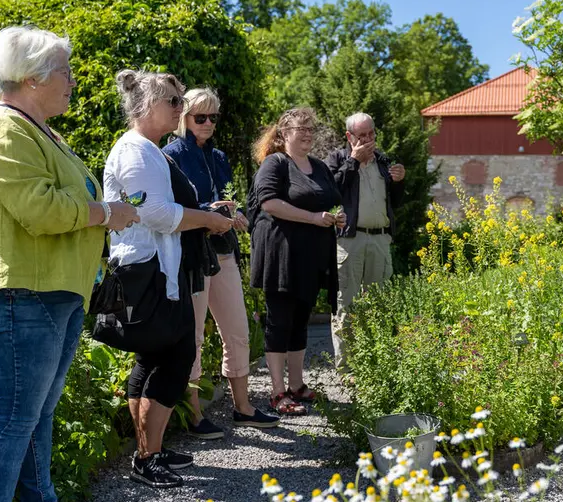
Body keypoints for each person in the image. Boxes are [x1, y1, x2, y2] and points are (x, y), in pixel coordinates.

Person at [0, 26, 140, 502]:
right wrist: (107, 213)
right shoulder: (0, 128)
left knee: (36, 412)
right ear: (33, 77)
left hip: (52, 289)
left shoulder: (40, 131)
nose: (73, 81)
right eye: (65, 70)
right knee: (16, 415)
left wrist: (99, 209)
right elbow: (39, 209)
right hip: (21, 290)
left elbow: (66, 199)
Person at [104, 70, 234, 488]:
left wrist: (207, 212)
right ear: (147, 107)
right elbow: (157, 213)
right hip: (149, 270)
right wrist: (210, 220)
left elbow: (165, 207)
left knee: (156, 358)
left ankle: (150, 452)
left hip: (158, 268)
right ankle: (147, 457)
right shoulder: (137, 152)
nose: (181, 109)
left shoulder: (150, 150)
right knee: (174, 358)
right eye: (174, 102)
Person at [163, 88, 280, 436]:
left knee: (238, 332)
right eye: (201, 117)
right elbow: (170, 208)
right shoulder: (170, 156)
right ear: (184, 118)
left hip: (224, 250)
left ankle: (243, 408)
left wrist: (236, 212)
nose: (209, 123)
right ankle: (194, 415)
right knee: (194, 336)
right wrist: (207, 212)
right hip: (192, 254)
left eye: (214, 117)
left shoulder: (219, 157)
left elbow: (226, 197)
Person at [247, 108, 345, 416]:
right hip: (280, 255)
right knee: (280, 321)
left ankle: (297, 385)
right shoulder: (275, 164)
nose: (307, 134)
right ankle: (277, 392)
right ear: (283, 134)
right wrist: (313, 218)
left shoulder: (318, 166)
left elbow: (330, 197)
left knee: (300, 320)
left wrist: (335, 217)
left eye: (310, 129)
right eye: (300, 129)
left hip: (310, 258)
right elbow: (269, 203)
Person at [326, 112, 405, 369]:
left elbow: (395, 202)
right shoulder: (337, 159)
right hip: (350, 240)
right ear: (349, 137)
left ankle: (376, 366)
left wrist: (398, 182)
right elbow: (328, 193)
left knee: (380, 306)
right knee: (345, 306)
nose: (369, 140)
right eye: (362, 136)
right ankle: (346, 369)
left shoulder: (383, 161)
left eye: (372, 134)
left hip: (380, 239)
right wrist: (353, 161)